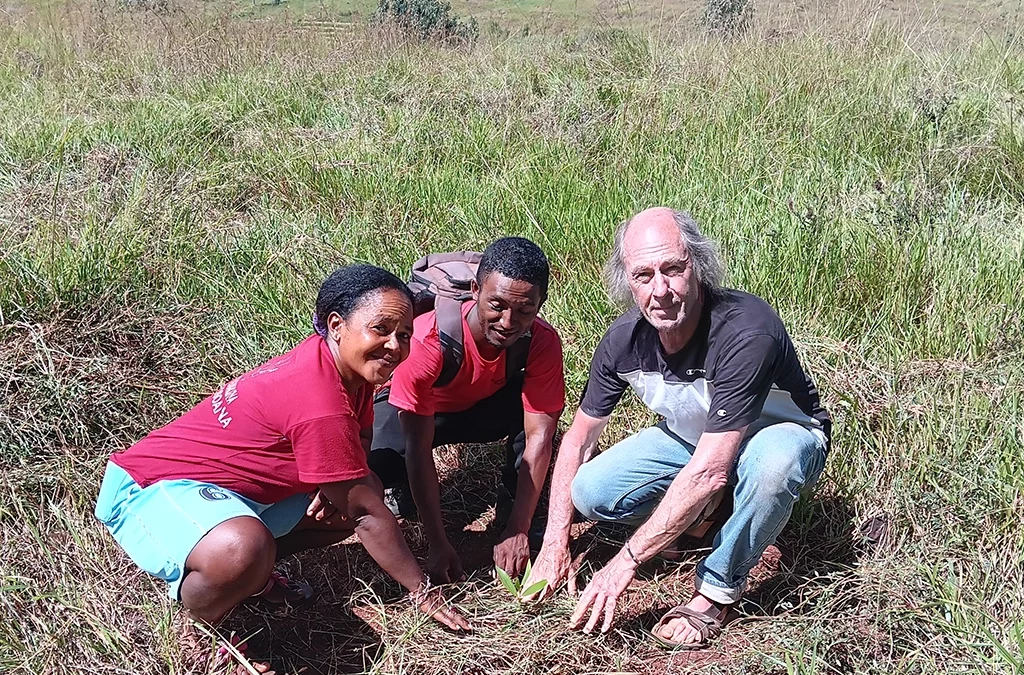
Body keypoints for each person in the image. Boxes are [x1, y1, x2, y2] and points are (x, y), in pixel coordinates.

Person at [94, 264, 470, 670]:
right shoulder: (318, 399)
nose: (395, 346)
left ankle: (250, 579)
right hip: (148, 487)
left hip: (234, 492)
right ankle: (201, 625)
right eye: (381, 329)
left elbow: (359, 450)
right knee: (246, 548)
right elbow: (366, 515)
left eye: (404, 334)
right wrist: (421, 590)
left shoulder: (345, 371)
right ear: (337, 325)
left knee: (360, 492)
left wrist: (336, 487)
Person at [524, 207, 831, 649]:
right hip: (694, 439)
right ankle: (706, 515)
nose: (661, 290)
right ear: (626, 280)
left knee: (774, 466)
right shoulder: (622, 341)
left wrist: (624, 562)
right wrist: (556, 540)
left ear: (699, 266)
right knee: (590, 491)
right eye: (643, 275)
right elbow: (577, 439)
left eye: (673, 268)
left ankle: (717, 589)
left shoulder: (746, 330)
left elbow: (709, 470)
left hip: (778, 432)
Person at [368, 237, 565, 582]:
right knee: (379, 463)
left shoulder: (541, 341)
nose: (507, 322)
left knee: (537, 415)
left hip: (477, 406)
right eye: (497, 305)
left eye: (524, 311)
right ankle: (401, 489)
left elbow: (539, 435)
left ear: (540, 304)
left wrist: (518, 527)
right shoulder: (428, 342)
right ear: (475, 290)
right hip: (419, 412)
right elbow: (417, 448)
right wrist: (438, 542)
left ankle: (514, 504)